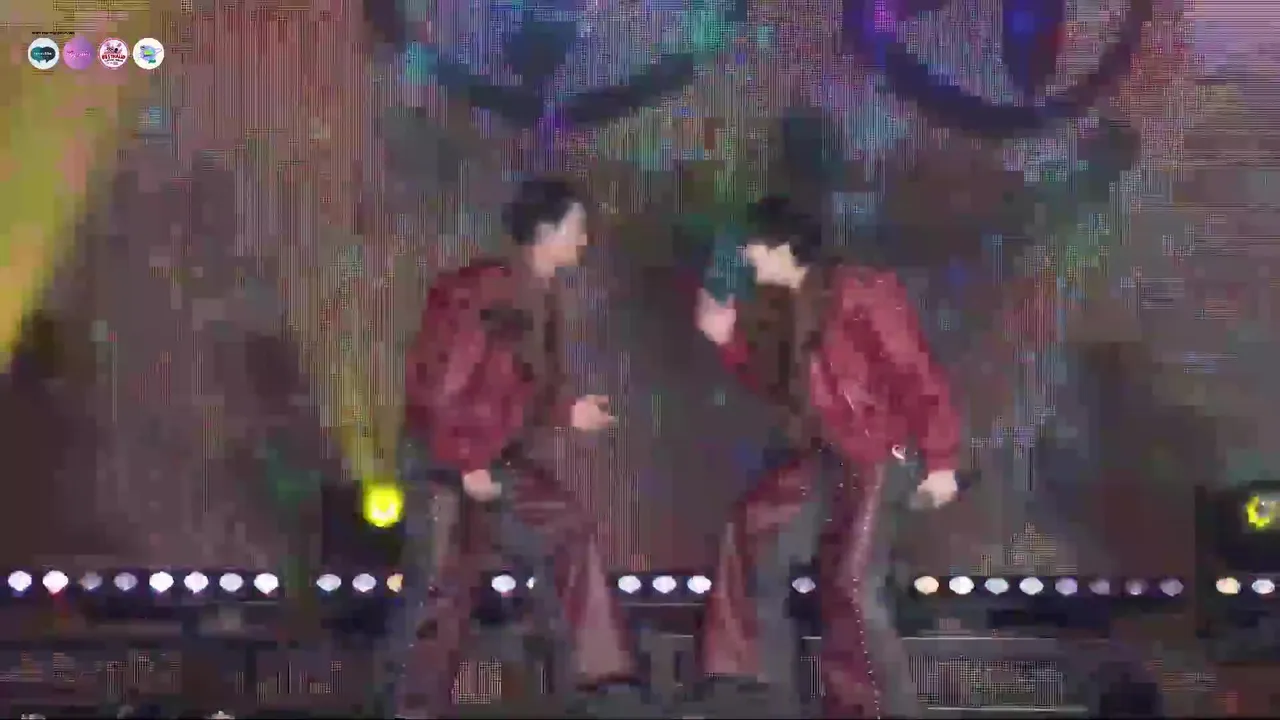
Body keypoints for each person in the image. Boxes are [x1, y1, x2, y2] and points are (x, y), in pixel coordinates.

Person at [693, 196, 963, 718]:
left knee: (852, 585)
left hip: (882, 454)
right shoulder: (786, 307)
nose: (745, 256)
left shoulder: (860, 290)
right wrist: (727, 341)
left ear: (779, 245)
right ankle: (755, 689)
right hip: (830, 456)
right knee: (754, 528)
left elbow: (914, 371)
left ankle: (879, 710)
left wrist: (942, 458)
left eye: (751, 245)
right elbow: (783, 390)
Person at [388, 177, 647, 718]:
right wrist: (466, 460)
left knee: (566, 529)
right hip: (447, 460)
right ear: (546, 231)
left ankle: (604, 686)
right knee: (442, 591)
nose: (585, 239)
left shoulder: (539, 296)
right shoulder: (486, 289)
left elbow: (521, 389)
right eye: (577, 228)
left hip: (493, 459)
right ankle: (413, 709)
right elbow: (443, 381)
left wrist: (569, 411)